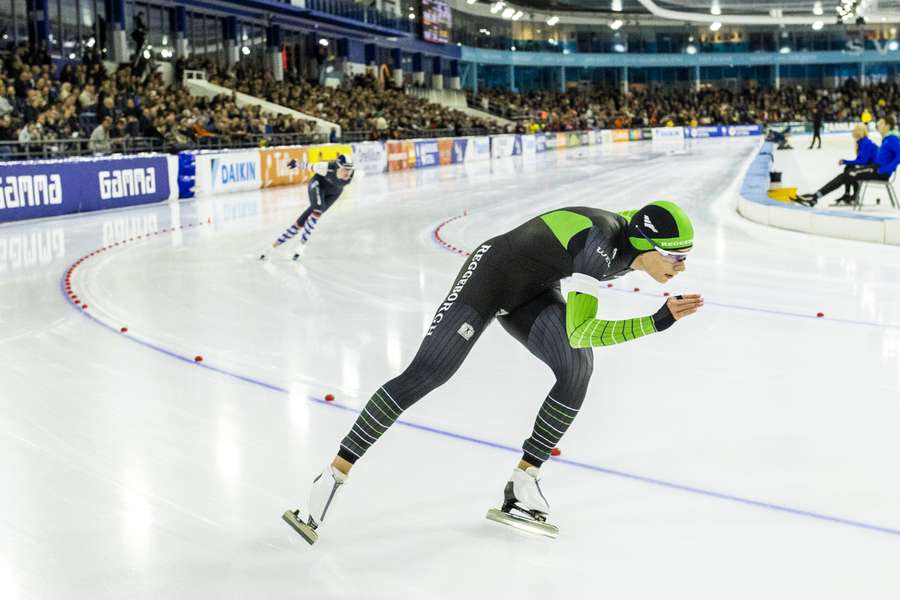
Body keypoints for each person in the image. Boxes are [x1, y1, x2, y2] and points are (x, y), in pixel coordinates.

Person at [282, 202, 703, 544]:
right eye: (676, 257)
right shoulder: (601, 247)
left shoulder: (633, 239)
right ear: (647, 245)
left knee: (576, 369)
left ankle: (523, 482)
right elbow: (581, 330)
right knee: (429, 373)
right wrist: (656, 322)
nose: (681, 266)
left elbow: (576, 340)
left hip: (533, 291)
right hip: (488, 280)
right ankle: (332, 477)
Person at [259, 154, 354, 261]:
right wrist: (295, 163)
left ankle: (273, 247)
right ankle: (302, 244)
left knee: (303, 221)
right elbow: (308, 165)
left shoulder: (352, 174)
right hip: (318, 185)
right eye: (345, 169)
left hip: (334, 193)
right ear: (338, 166)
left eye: (350, 169)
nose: (348, 172)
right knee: (317, 210)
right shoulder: (325, 167)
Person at [797, 117, 900, 207]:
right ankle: (818, 196)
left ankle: (815, 197)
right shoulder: (887, 139)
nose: (878, 125)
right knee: (847, 172)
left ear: (887, 126)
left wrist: (885, 169)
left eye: (881, 123)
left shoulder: (892, 139)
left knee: (846, 174)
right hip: (875, 168)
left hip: (878, 171)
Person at [830, 123, 879, 205]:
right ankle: (848, 194)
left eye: (855, 130)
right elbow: (859, 161)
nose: (853, 132)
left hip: (874, 170)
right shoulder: (861, 142)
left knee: (850, 169)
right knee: (849, 168)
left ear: (860, 132)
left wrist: (845, 161)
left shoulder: (866, 143)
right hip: (869, 167)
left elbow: (862, 161)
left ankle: (854, 195)